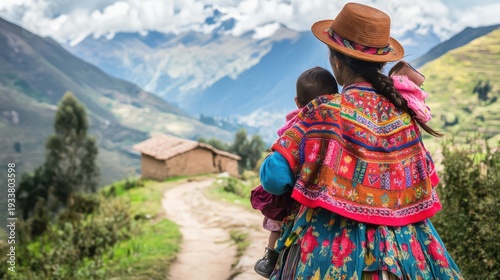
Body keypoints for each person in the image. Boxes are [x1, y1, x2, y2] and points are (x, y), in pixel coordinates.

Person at [259, 3, 462, 279]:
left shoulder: (324, 111)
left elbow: (275, 178)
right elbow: (425, 178)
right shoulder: (404, 116)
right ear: (381, 62)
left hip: (328, 252)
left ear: (336, 61)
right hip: (403, 255)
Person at [251, 66, 338, 278]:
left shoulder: (299, 126)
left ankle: (270, 258)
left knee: (276, 217)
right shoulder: (349, 121)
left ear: (298, 103)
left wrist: (270, 161)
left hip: (303, 212)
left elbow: (274, 179)